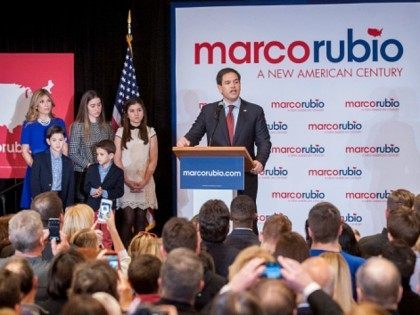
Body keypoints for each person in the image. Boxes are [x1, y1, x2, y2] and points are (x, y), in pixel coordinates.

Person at [176, 67, 271, 204]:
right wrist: (185, 141)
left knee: (246, 219)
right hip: (216, 176)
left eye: (236, 82)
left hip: (245, 176)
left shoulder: (254, 111)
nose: (233, 86)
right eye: (227, 83)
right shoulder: (209, 111)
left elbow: (264, 142)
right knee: (216, 220)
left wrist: (260, 160)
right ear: (220, 88)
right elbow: (193, 136)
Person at [114, 98, 158, 246]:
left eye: (139, 110)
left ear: (143, 112)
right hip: (127, 182)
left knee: (141, 221)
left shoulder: (150, 132)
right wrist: (127, 180)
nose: (136, 114)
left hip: (145, 181)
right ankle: (124, 253)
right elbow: (117, 160)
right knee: (128, 219)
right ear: (126, 114)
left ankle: (140, 253)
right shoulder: (120, 132)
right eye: (132, 111)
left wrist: (144, 181)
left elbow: (153, 160)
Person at [20, 88, 68, 209]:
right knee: (37, 207)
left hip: (57, 169)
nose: (46, 104)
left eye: (48, 101)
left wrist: (63, 166)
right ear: (36, 105)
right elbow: (25, 151)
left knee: (55, 208)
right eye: (41, 101)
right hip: (36, 169)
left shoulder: (59, 122)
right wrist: (37, 169)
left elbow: (65, 146)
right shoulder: (29, 125)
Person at [69, 90, 114, 203]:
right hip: (84, 176)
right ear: (86, 107)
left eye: (99, 105)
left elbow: (112, 150)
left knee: (102, 215)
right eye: (93, 106)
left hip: (105, 175)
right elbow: (73, 153)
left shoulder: (107, 126)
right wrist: (90, 166)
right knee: (85, 214)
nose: (97, 108)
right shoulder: (78, 126)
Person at [84, 140, 124, 248]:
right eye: (97, 154)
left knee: (107, 235)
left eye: (102, 154)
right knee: (93, 235)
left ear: (111, 156)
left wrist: (105, 192)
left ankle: (108, 258)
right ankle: (94, 258)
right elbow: (85, 187)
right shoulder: (92, 168)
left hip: (107, 207)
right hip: (92, 206)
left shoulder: (118, 172)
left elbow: (120, 191)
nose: (98, 157)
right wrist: (94, 191)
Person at [31, 125, 75, 208]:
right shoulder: (39, 158)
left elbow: (71, 185)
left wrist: (69, 205)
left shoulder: (68, 161)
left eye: (60, 140)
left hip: (61, 198)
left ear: (65, 140)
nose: (58, 143)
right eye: (54, 140)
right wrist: (38, 200)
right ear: (48, 141)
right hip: (43, 198)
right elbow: (35, 181)